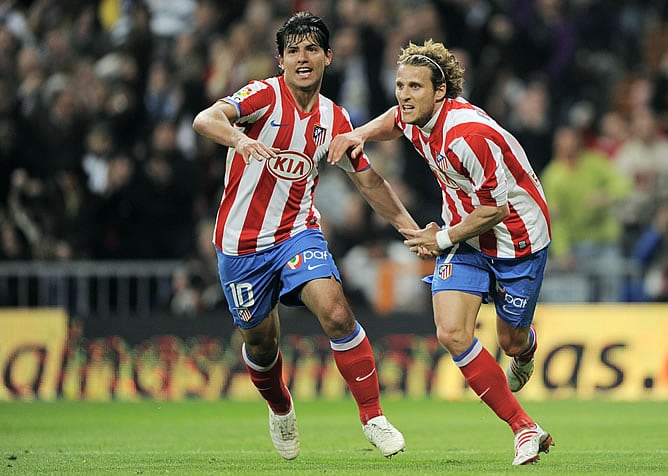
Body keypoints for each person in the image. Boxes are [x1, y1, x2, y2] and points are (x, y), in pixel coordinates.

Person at [192, 11, 416, 460]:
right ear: (280, 60)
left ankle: (372, 416)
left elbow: (368, 180)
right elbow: (205, 118)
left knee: (335, 310)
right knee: (260, 341)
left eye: (311, 48)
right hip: (240, 246)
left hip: (297, 234)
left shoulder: (335, 119)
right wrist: (238, 140)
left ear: (328, 57)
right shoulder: (262, 96)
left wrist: (409, 228)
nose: (302, 57)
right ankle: (280, 407)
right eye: (292, 50)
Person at [328, 39, 554, 466]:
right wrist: (357, 133)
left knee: (511, 339)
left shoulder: (468, 135)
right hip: (465, 238)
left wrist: (441, 240)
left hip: (516, 240)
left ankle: (525, 349)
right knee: (452, 333)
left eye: (415, 86)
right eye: (400, 85)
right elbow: (395, 121)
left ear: (441, 92)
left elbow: (495, 208)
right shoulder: (417, 117)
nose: (404, 95)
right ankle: (525, 428)